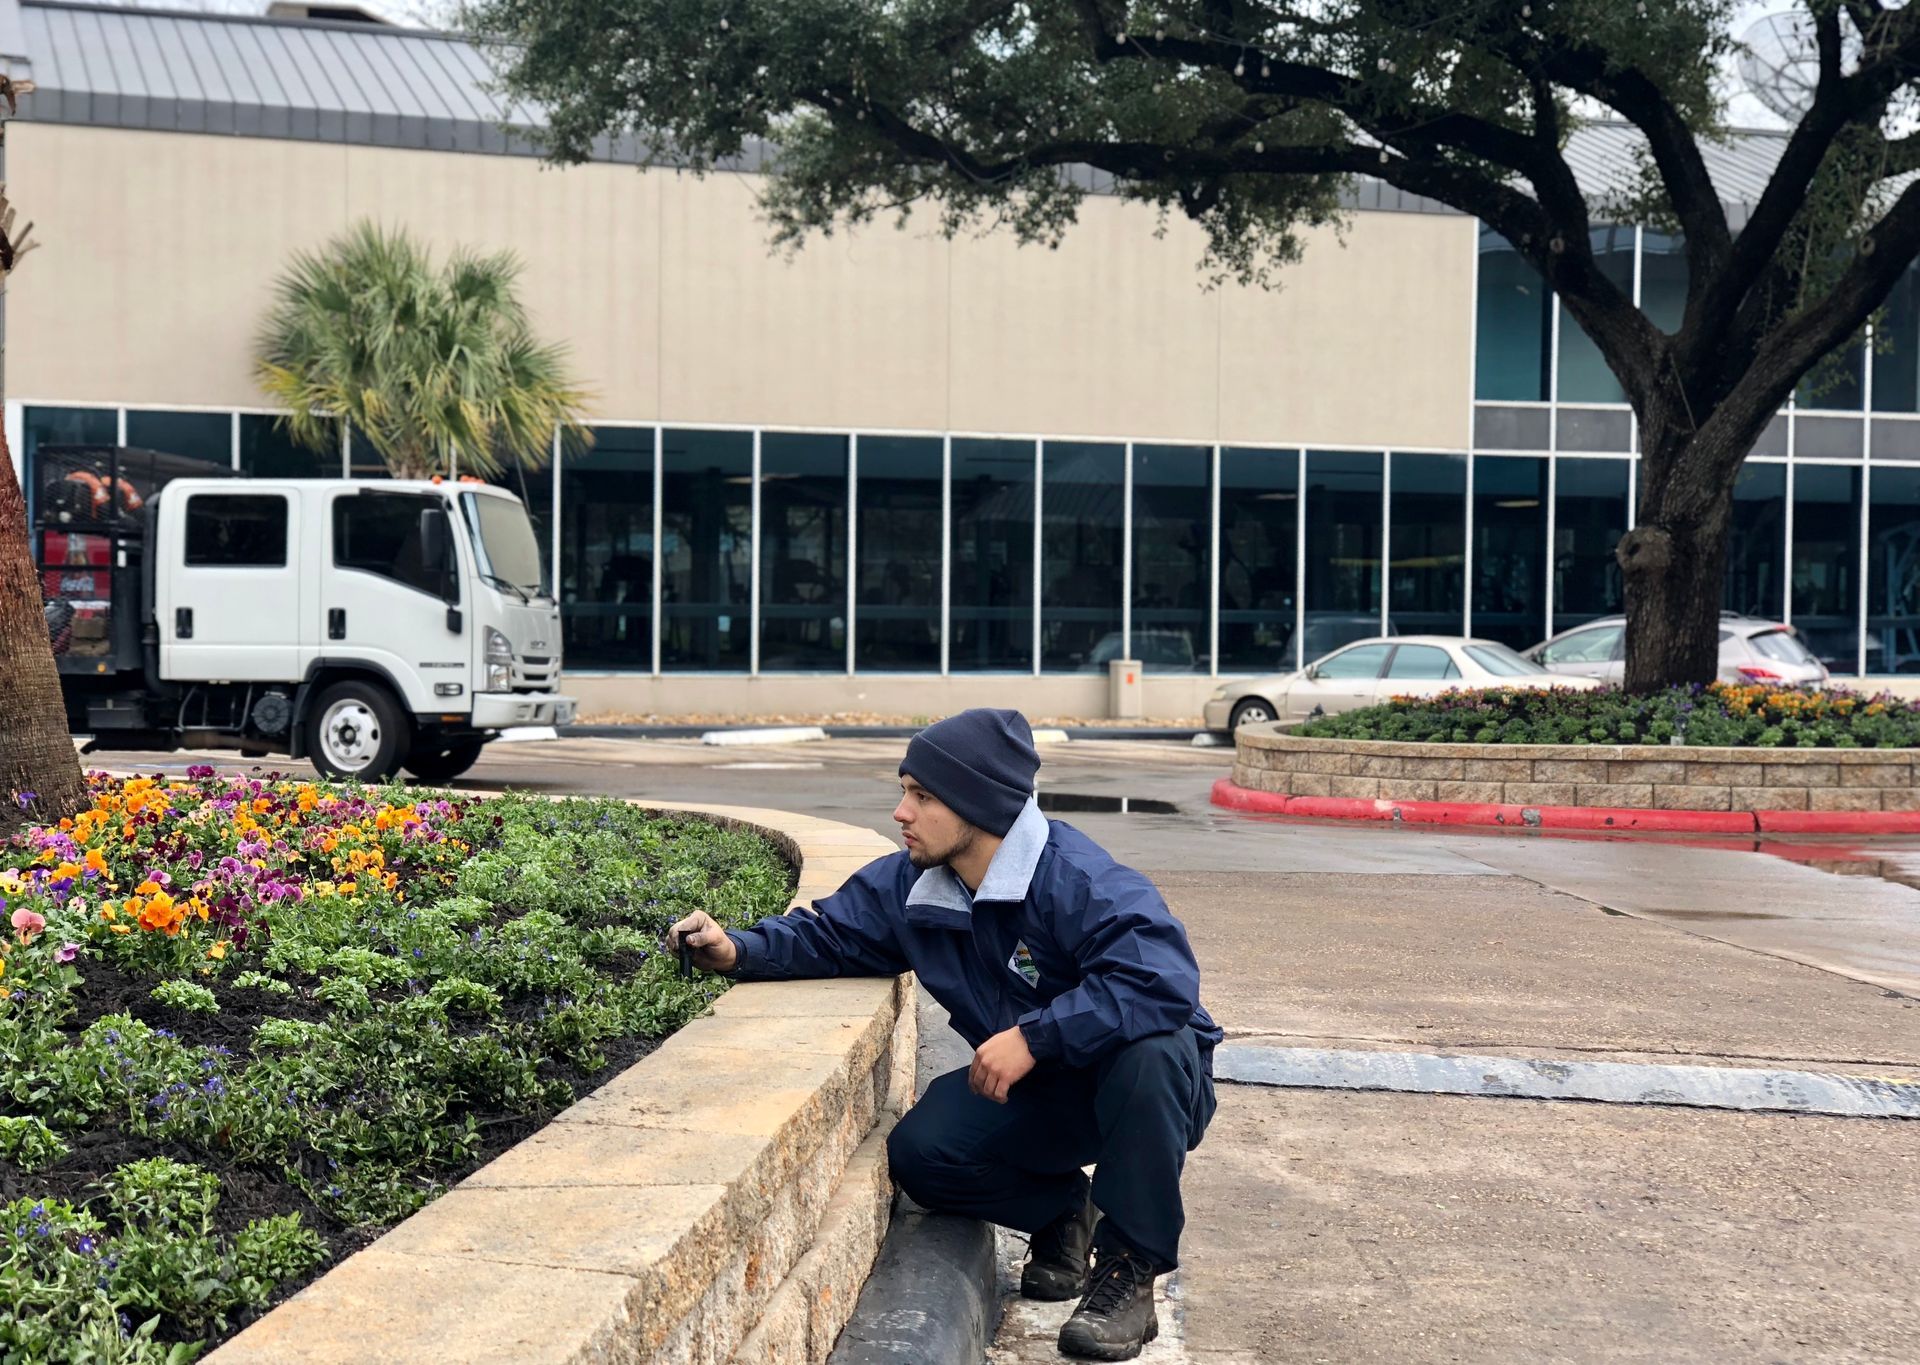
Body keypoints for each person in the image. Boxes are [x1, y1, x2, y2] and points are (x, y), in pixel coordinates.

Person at [668, 708, 1219, 1362]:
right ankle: (1065, 1208)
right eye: (905, 789)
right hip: (1039, 1092)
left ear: (978, 806)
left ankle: (1127, 1271)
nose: (902, 811)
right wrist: (737, 949)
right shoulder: (917, 885)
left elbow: (1163, 979)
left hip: (1134, 1093)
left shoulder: (1076, 878)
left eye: (922, 795)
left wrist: (1036, 1036)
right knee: (923, 1151)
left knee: (1155, 1047)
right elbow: (833, 934)